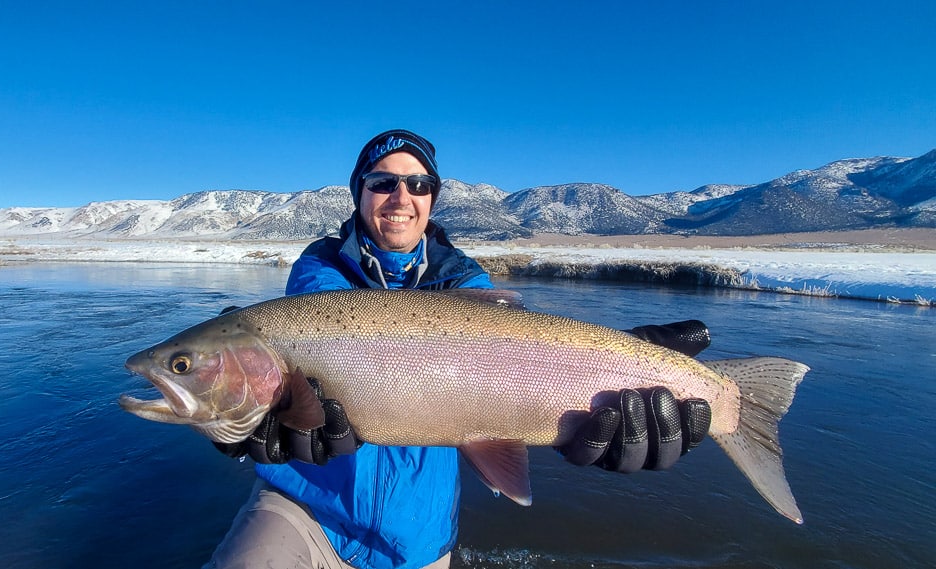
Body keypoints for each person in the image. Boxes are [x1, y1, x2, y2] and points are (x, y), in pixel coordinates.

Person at [205, 129, 713, 569]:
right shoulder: (318, 276)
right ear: (358, 194)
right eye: (382, 182)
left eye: (418, 185)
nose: (401, 197)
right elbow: (300, 336)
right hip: (305, 505)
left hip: (419, 533)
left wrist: (599, 396)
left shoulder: (468, 284)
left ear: (432, 199)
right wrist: (233, 410)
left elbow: (524, 373)